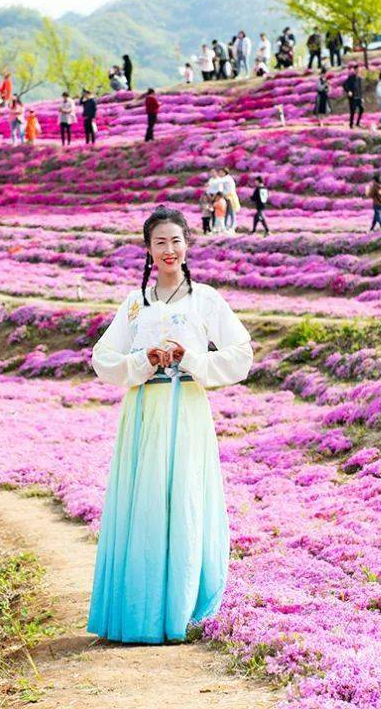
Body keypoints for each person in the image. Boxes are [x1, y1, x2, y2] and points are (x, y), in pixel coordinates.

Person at [87, 205, 252, 645]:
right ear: (147, 250)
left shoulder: (206, 299)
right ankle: (141, 615)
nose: (169, 249)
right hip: (145, 411)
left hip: (188, 410)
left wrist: (190, 359)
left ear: (187, 246)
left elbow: (241, 354)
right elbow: (102, 359)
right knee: (144, 504)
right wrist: (144, 360)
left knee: (184, 500)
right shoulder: (135, 304)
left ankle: (181, 611)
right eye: (160, 242)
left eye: (176, 240)